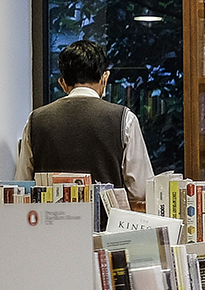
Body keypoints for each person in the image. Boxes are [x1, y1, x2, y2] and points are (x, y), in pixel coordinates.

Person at [13, 39, 154, 206]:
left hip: (48, 220)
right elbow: (140, 192)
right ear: (104, 78)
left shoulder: (35, 120)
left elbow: (21, 187)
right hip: (107, 221)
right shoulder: (124, 119)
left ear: (62, 83)